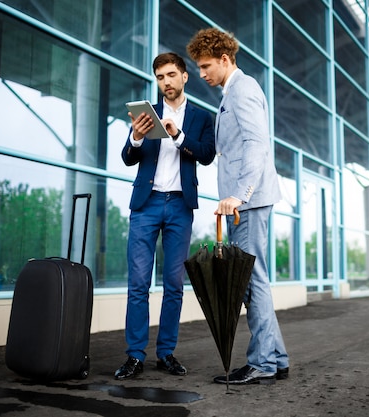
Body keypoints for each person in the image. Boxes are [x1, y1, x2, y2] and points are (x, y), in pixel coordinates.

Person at [186, 28, 290, 385]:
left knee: (250, 281)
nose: (201, 73)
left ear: (225, 59)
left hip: (247, 201)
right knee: (253, 279)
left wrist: (240, 195)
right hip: (245, 202)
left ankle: (262, 362)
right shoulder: (232, 92)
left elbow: (256, 144)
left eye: (205, 66)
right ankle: (275, 358)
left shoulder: (242, 90)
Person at [115, 52, 216, 380]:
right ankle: (134, 356)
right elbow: (128, 157)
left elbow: (207, 154)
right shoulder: (149, 114)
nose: (166, 82)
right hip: (145, 205)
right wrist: (137, 136)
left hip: (179, 206)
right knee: (139, 283)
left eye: (171, 75)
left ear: (185, 77)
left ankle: (166, 353)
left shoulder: (201, 118)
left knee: (174, 284)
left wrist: (179, 136)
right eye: (160, 77)